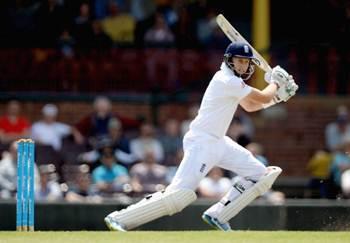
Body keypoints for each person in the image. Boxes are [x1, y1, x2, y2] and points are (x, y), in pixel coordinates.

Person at [104, 42, 298, 232]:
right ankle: (119, 218)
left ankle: (218, 215)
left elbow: (251, 105)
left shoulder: (234, 82)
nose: (243, 65)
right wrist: (275, 83)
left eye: (246, 62)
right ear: (229, 60)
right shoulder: (226, 80)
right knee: (179, 196)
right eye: (239, 61)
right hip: (202, 142)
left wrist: (277, 96)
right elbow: (263, 97)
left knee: (261, 175)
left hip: (219, 142)